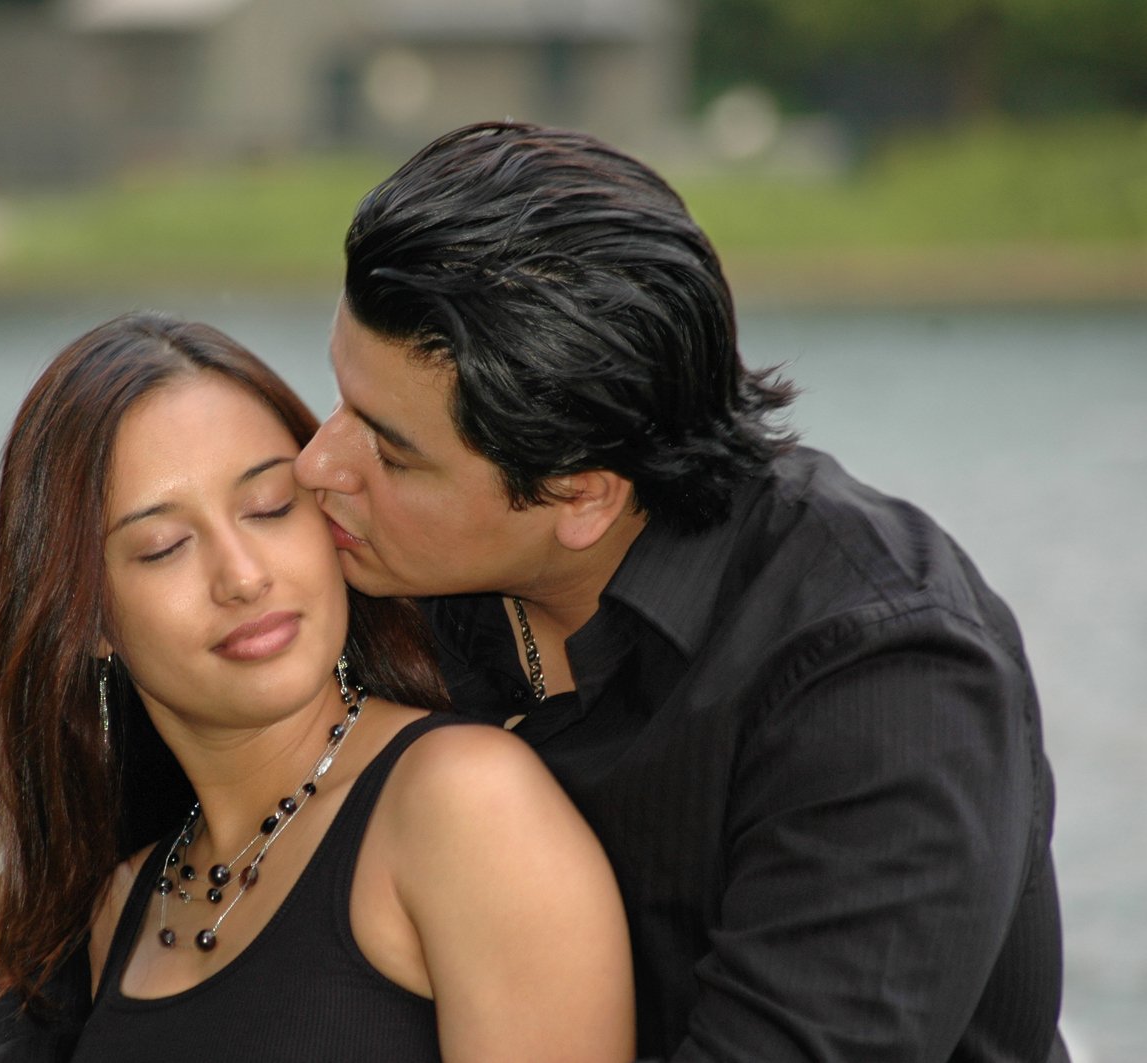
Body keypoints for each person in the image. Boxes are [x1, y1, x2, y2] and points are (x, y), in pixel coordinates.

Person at [294, 121, 1066, 1062]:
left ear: (581, 494)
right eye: (338, 397)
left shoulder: (882, 673)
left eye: (388, 448)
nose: (315, 462)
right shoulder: (368, 571)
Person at [0, 312, 635, 1061]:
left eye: (269, 507)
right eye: (164, 547)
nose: (242, 575)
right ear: (88, 620)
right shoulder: (108, 914)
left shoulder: (461, 805)